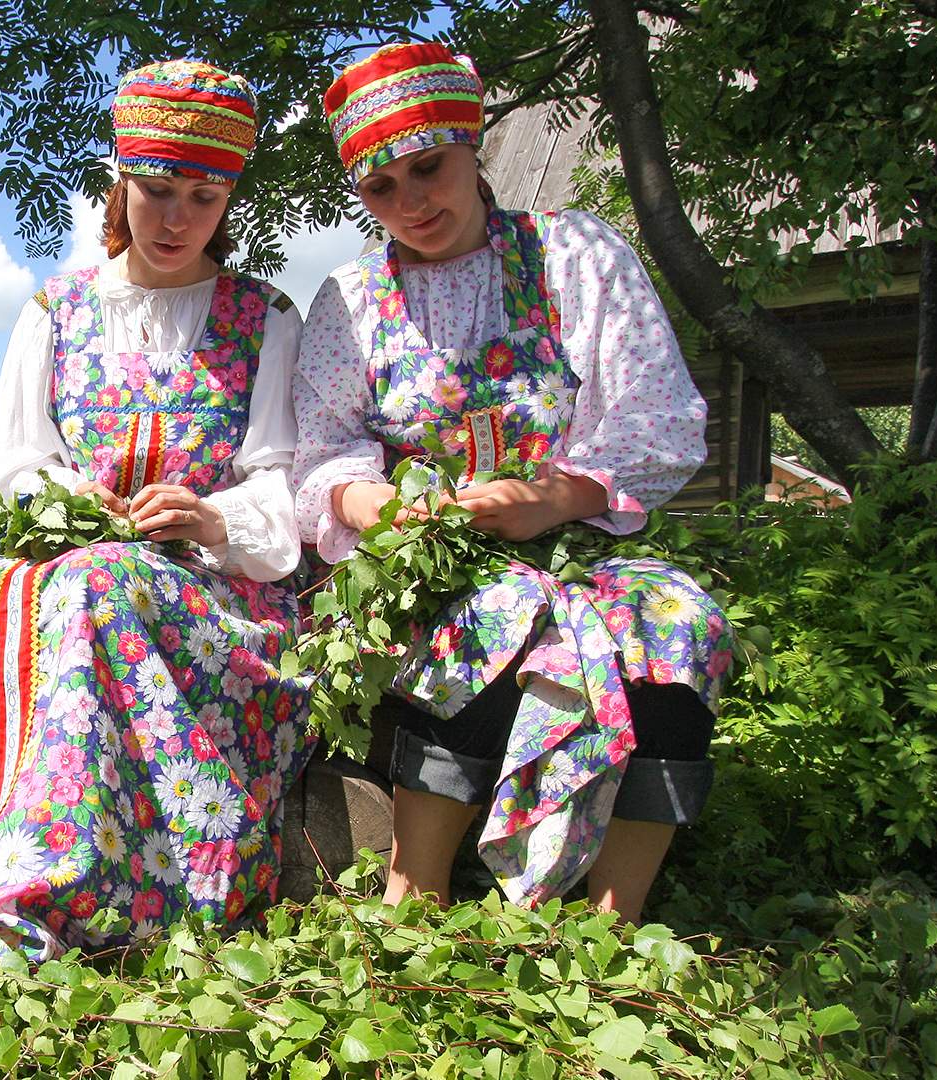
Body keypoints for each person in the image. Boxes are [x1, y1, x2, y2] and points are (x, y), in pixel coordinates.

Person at [0, 60, 311, 958]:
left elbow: (285, 488)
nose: (174, 220)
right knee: (5, 590)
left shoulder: (265, 316)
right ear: (118, 182)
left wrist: (209, 517)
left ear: (228, 200)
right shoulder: (55, 310)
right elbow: (8, 471)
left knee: (93, 586)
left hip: (217, 597)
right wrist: (63, 497)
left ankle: (58, 881)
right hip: (67, 573)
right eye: (156, 189)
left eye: (202, 198)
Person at [291, 44, 733, 919]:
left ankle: (615, 915)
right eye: (380, 189)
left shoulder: (572, 255)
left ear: (472, 143)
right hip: (426, 555)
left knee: (677, 625)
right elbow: (321, 448)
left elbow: (660, 412)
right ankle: (413, 888)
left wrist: (562, 495)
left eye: (428, 168)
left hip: (578, 546)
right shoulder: (352, 299)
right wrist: (367, 503)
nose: (411, 203)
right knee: (486, 618)